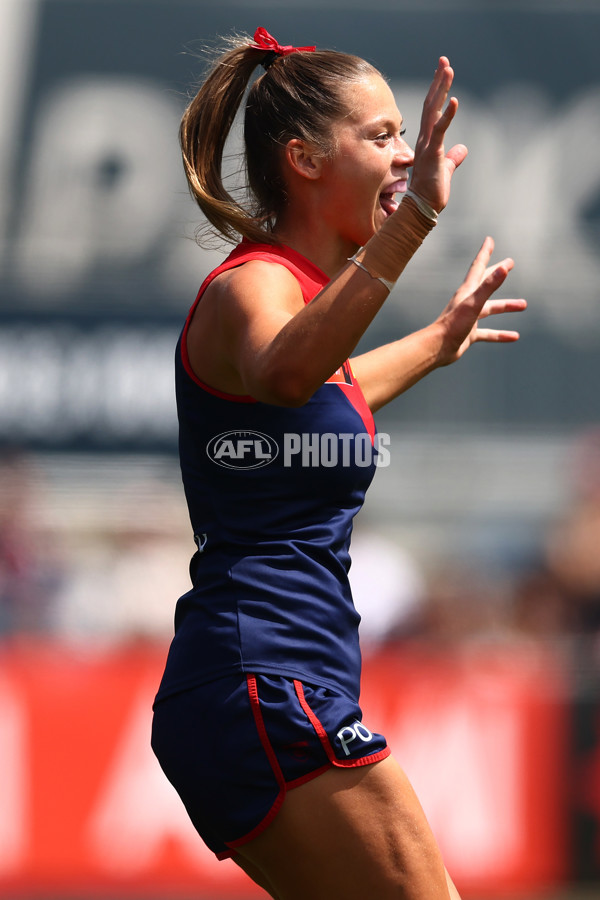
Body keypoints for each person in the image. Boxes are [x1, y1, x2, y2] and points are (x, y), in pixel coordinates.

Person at [151, 26, 526, 900]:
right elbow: (288, 371)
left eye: (404, 135)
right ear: (305, 159)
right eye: (383, 136)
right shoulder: (256, 285)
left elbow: (333, 385)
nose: (406, 156)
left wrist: (436, 342)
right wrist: (419, 221)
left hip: (263, 681)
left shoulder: (307, 306)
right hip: (263, 674)